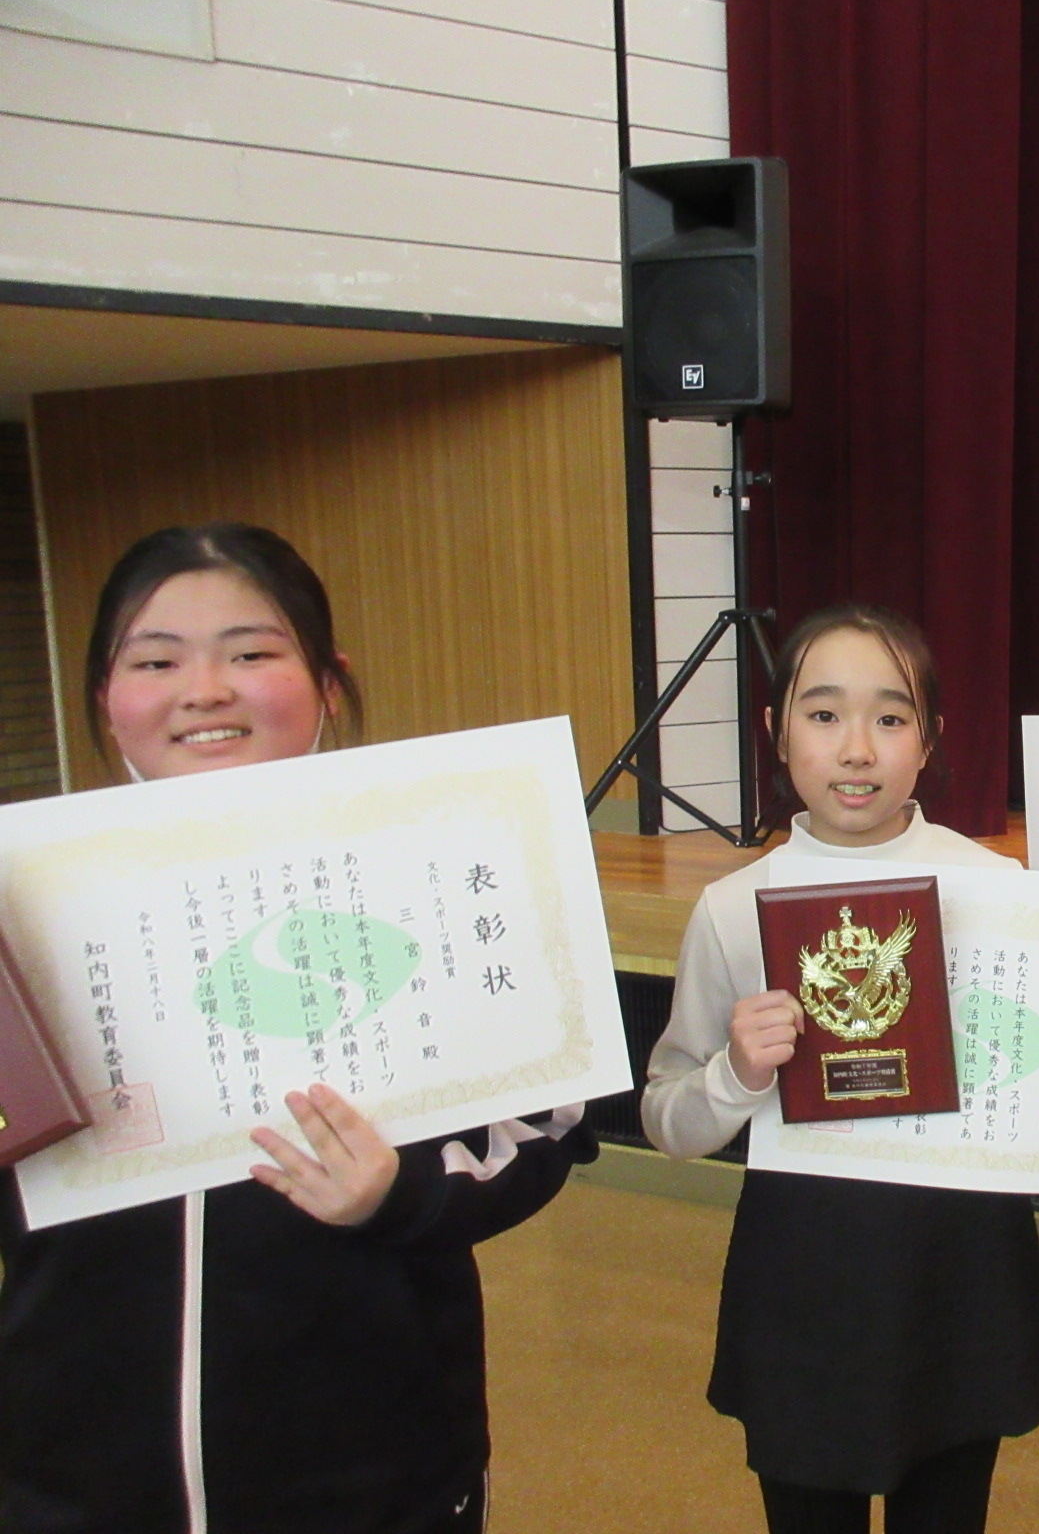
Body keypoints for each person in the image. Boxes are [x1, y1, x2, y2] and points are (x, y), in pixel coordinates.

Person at [0, 523, 596, 1534]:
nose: (204, 690)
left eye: (249, 652)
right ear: (105, 695)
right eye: (156, 661)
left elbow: (546, 1127)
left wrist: (399, 1192)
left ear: (327, 682)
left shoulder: (446, 857)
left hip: (373, 1471)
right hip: (77, 1474)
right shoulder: (24, 902)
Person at [640, 602, 1039, 1534]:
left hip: (957, 1279)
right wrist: (736, 1074)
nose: (856, 749)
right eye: (823, 714)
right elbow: (666, 1117)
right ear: (776, 731)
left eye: (890, 718)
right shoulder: (732, 907)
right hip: (803, 1283)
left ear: (929, 740)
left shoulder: (999, 890)